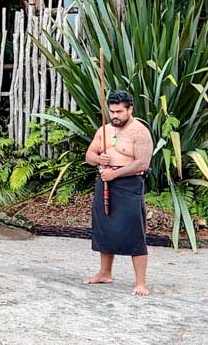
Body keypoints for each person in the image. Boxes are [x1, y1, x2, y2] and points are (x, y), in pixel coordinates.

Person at [84, 90, 153, 296]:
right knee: (104, 227)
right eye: (112, 111)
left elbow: (142, 163)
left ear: (130, 109)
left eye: (119, 111)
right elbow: (89, 155)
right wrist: (99, 161)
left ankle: (140, 282)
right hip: (105, 183)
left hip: (129, 185)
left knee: (134, 231)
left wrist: (115, 174)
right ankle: (105, 273)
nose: (115, 115)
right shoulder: (104, 130)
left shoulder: (140, 133)